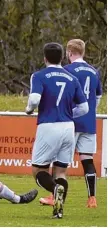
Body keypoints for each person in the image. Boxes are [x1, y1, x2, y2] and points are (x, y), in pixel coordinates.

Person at [25, 42, 88, 218]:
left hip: (48, 125)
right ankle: (58, 211)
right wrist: (67, 114)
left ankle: (55, 189)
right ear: (62, 57)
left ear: (45, 58)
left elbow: (35, 99)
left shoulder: (39, 76)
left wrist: (29, 109)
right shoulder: (72, 78)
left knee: (38, 170)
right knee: (60, 171)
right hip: (68, 127)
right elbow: (84, 109)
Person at [39, 39, 103, 208]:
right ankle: (92, 198)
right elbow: (98, 97)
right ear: (83, 52)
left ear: (69, 53)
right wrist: (90, 112)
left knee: (60, 163)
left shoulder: (66, 71)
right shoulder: (94, 71)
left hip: (70, 121)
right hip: (89, 122)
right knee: (87, 160)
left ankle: (54, 195)